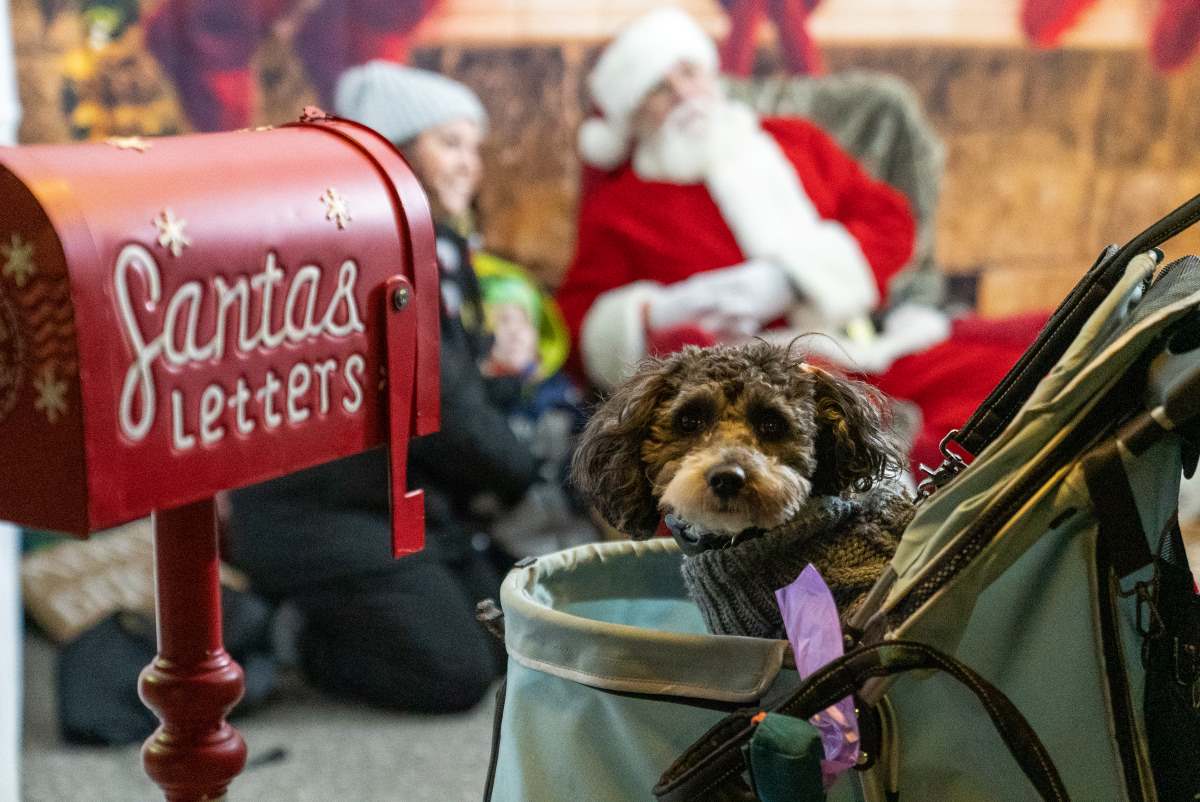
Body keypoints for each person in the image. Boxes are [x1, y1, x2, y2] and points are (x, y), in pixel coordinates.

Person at [556, 7, 1046, 473]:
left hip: (869, 346)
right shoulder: (622, 206)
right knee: (884, 443)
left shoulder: (792, 140)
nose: (684, 94)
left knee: (1022, 382)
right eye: (659, 89)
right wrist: (661, 312)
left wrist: (793, 278)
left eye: (689, 72)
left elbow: (889, 219)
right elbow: (579, 327)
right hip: (763, 386)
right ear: (633, 117)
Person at [225, 65, 539, 712]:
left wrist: (495, 364)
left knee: (512, 636)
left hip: (392, 500)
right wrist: (527, 473)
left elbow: (439, 385)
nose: (469, 166)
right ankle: (293, 634)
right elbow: (448, 410)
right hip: (322, 515)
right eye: (450, 144)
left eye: (474, 148)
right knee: (456, 676)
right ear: (396, 150)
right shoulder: (374, 251)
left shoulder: (422, 244)